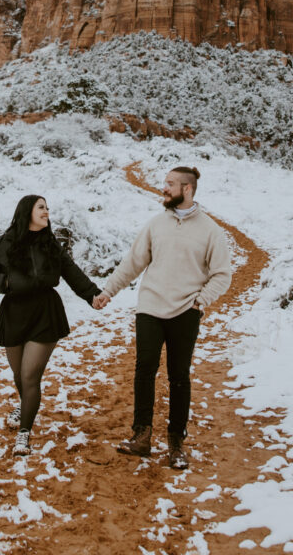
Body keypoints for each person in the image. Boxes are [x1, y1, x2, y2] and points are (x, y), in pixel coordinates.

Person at [93, 166, 232, 470]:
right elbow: (132, 264)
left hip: (185, 311)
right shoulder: (156, 225)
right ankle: (141, 436)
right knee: (144, 370)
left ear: (188, 189)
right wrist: (108, 292)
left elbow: (223, 274)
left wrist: (201, 301)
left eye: (170, 184)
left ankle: (176, 443)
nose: (164, 188)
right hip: (150, 308)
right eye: (165, 183)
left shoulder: (210, 230)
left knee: (179, 377)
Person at [0, 194, 101, 456]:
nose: (47, 212)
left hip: (45, 312)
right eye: (41, 208)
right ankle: (26, 405)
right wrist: (7, 283)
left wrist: (93, 295)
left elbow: (71, 271)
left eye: (47, 208)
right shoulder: (2, 244)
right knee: (19, 375)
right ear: (27, 212)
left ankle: (24, 433)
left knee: (31, 375)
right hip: (14, 312)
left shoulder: (50, 244)